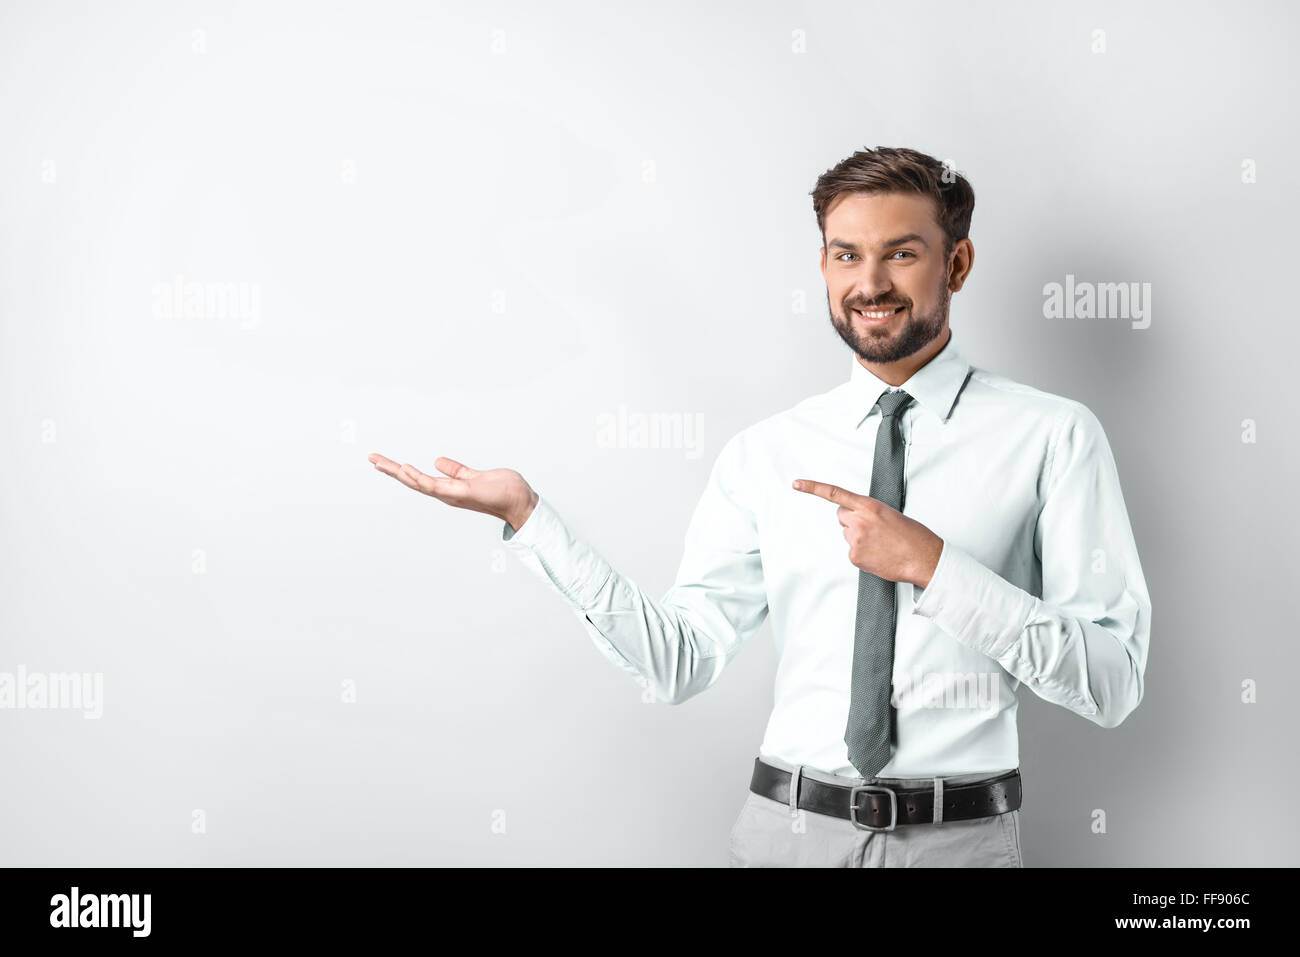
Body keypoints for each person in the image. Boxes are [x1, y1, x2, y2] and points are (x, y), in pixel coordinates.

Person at [369, 146, 1151, 868]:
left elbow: (1113, 681)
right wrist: (529, 516)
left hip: (960, 843)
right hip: (787, 836)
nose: (869, 283)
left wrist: (936, 568)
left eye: (901, 253)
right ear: (822, 264)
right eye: (847, 254)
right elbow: (678, 662)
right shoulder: (764, 454)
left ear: (958, 260)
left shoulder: (1054, 436)